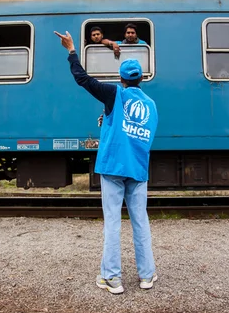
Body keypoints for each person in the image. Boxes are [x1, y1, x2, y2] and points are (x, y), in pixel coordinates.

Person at [54, 30, 158, 295]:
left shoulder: (115, 94)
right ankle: (146, 276)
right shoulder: (152, 106)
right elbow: (137, 133)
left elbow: (82, 79)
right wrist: (108, 120)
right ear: (142, 79)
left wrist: (71, 51)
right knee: (140, 222)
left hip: (113, 169)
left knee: (113, 222)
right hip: (138, 170)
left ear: (121, 78)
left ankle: (112, 278)